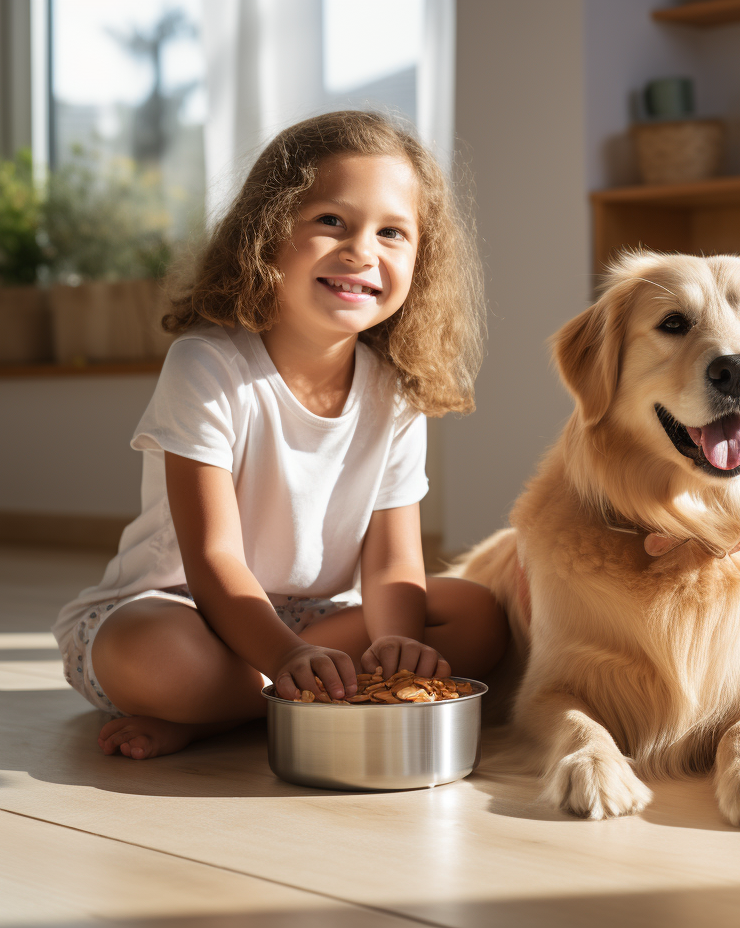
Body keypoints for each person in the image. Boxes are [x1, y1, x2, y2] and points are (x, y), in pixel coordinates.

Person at [52, 111, 508, 760]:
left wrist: (394, 644)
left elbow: (392, 561)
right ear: (267, 231)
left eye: (393, 233)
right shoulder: (207, 364)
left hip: (311, 621)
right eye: (331, 222)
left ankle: (231, 714)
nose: (362, 252)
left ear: (422, 258)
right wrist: (285, 655)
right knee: (166, 662)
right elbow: (213, 562)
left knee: (478, 614)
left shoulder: (394, 391)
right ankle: (277, 696)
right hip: (180, 609)